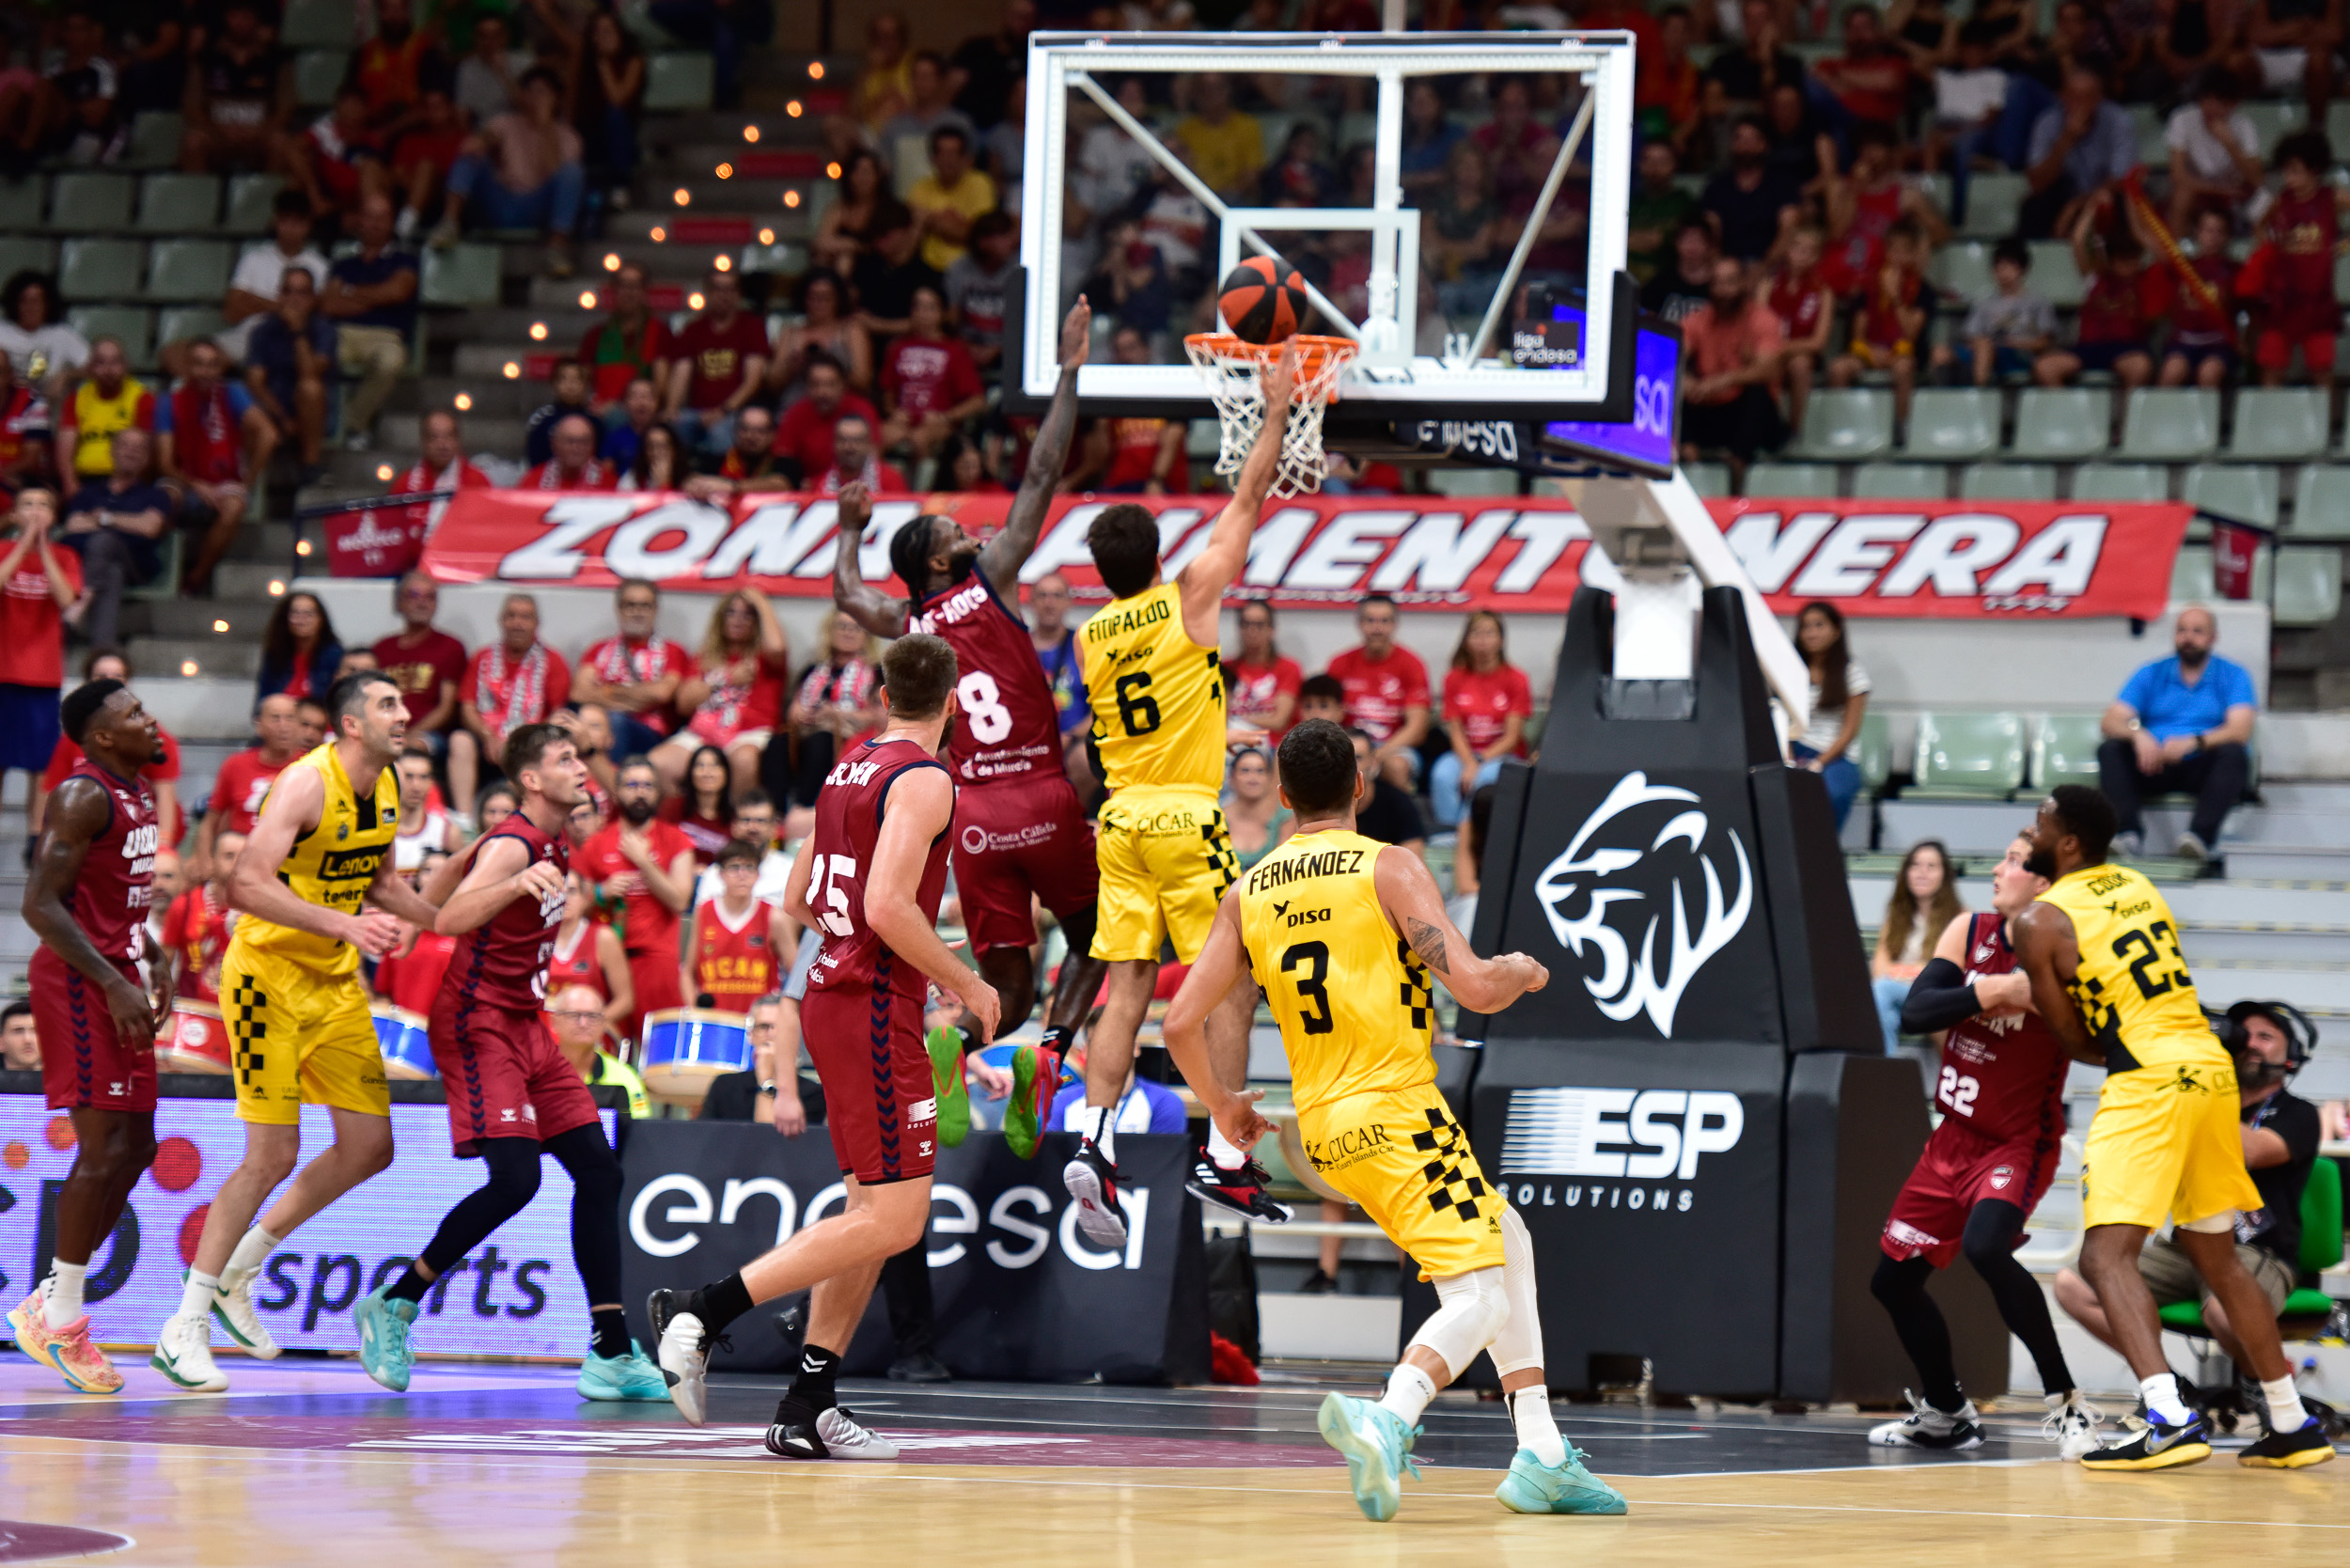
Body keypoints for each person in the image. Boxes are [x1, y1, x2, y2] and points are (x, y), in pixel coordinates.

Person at [1162, 718, 1622, 1521]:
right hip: (1398, 1110)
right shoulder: (1389, 865)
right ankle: (1391, 1415)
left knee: (1506, 1237)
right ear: (1360, 786)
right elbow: (1474, 988)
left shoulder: (1247, 891)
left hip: (1323, 1128)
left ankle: (1542, 1451)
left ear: (1281, 793)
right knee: (1481, 1297)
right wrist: (1519, 970)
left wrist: (1225, 1103)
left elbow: (1177, 1024)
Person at [649, 634, 994, 1458]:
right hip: (873, 1009)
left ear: (883, 696)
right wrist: (964, 981)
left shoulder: (848, 767)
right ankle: (700, 1310)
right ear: (953, 701)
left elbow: (801, 896)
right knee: (898, 1220)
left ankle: (808, 1403)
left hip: (838, 1000)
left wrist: (870, 950)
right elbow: (887, 906)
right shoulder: (926, 779)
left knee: (869, 1216)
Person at [830, 298, 1108, 1163]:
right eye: (960, 531)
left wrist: (847, 532)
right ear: (944, 559)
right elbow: (1043, 474)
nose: (977, 531)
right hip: (1042, 795)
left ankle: (961, 1042)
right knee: (1100, 936)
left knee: (1006, 983)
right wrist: (1070, 372)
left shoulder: (905, 620)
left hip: (974, 815)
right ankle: (1051, 1057)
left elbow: (846, 596)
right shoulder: (992, 579)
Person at [2011, 784, 2335, 1468]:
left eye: (2039, 822)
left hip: (2149, 1079)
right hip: (2211, 1072)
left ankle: (2168, 1417)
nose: (2030, 831)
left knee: (2104, 1257)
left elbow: (2069, 1036)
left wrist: (2114, 1046)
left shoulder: (2039, 920)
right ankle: (2291, 1422)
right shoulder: (2137, 884)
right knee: (2216, 1257)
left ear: (2067, 842)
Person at [1064, 340, 1301, 1247]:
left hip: (1119, 820)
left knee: (1126, 985)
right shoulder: (1190, 596)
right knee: (1230, 984)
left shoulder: (1090, 636)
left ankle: (1094, 1141)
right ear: (1160, 554)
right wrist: (1275, 409)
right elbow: (1249, 495)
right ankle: (1227, 1156)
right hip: (1181, 816)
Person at [352, 722, 666, 1401]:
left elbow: (443, 881)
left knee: (599, 1170)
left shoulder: (540, 836)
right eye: (565, 759)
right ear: (531, 779)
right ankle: (396, 1303)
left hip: (526, 1022)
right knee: (517, 1180)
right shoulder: (517, 846)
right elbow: (449, 920)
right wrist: (510, 878)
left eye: (579, 756)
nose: (581, 768)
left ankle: (611, 1350)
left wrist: (467, 868)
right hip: (479, 1023)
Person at [149, 673, 441, 1393]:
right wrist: (345, 923)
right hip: (265, 982)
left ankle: (241, 1267)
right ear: (351, 723)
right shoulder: (306, 783)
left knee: (370, 1146)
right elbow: (245, 883)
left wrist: (453, 910)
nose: (404, 713)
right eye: (388, 704)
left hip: (333, 984)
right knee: (270, 1155)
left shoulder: (388, 783)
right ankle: (184, 1324)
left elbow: (382, 884)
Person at [1869, 832, 2099, 1454]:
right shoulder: (1969, 930)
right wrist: (1991, 991)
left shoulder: (2066, 953)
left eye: (2015, 861)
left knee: (1986, 1247)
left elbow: (2100, 1040)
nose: (1998, 868)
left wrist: (2055, 1008)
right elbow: (1916, 1012)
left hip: (2015, 1142)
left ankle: (2068, 1404)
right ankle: (1947, 1411)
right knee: (1891, 1283)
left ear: (2044, 882)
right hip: (1952, 1138)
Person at [8, 680, 169, 1394]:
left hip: (118, 970)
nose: (149, 719)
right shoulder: (81, 795)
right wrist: (110, 980)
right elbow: (39, 905)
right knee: (103, 1152)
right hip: (80, 983)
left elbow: (109, 894)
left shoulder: (138, 789)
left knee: (139, 1149)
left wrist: (149, 949)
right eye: (133, 714)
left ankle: (51, 1298)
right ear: (102, 737)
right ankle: (61, 1317)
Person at [2056, 997, 2325, 1391]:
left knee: (2223, 1312)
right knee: (2073, 1285)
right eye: (2244, 1035)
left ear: (2291, 1056)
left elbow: (2251, 1151)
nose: (2250, 1043)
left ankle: (2267, 1385)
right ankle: (2168, 1386)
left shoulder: (2299, 1113)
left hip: (2258, 1251)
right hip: (2186, 1247)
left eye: (2265, 1037)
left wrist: (2194, 1088)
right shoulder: (2195, 1095)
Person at [2097, 604, 2255, 863]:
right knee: (2111, 749)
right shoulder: (2151, 672)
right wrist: (2138, 734)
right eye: (2182, 630)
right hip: (2154, 764)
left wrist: (2195, 742)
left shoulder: (2234, 675)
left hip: (2202, 767)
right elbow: (2110, 720)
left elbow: (2240, 729)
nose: (2188, 638)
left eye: (2197, 631)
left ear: (2213, 637)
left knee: (2234, 753)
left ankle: (2199, 839)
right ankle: (2127, 835)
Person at [576, 755, 697, 1041]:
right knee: (606, 1045)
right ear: (617, 792)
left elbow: (680, 901)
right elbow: (577, 906)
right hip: (607, 960)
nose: (640, 792)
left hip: (656, 959)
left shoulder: (676, 839)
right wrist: (601, 892)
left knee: (659, 1048)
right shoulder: (596, 844)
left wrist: (644, 862)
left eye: (647, 785)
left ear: (658, 793)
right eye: (632, 785)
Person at [436, 68, 585, 277]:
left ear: (556, 99)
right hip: (500, 201)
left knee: (573, 173)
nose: (534, 98)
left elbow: (556, 173)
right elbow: (481, 140)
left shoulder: (568, 136)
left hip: (536, 206)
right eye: (530, 91)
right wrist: (484, 141)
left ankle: (557, 248)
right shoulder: (506, 121)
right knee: (472, 155)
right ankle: (449, 223)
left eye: (542, 92)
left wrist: (545, 127)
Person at [0, 488, 80, 844]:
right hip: (3, 671)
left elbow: (66, 599)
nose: (35, 512)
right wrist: (23, 544)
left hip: (42, 675)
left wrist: (43, 547)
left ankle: (35, 836)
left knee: (41, 763)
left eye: (44, 505)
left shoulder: (65, 556)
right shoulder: (3, 550)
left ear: (54, 516)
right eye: (27, 505)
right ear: (14, 514)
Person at [163, 339, 274, 595]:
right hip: (182, 477)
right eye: (199, 364)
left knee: (234, 507)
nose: (206, 372)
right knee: (163, 499)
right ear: (187, 367)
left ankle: (197, 576)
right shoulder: (170, 400)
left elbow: (268, 435)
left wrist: (248, 482)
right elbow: (164, 463)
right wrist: (195, 484)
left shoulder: (232, 392)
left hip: (225, 478)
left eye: (212, 365)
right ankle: (161, 571)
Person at [653, 588, 788, 796]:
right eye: (731, 612)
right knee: (657, 763)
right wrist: (727, 677)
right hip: (702, 734)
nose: (738, 620)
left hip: (748, 734)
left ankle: (733, 816)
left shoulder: (766, 658)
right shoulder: (705, 657)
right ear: (721, 619)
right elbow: (684, 704)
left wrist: (760, 602)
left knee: (744, 760)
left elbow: (777, 647)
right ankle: (687, 814)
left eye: (747, 615)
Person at [320, 195, 418, 450]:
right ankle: (321, 424)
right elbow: (329, 304)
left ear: (391, 222)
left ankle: (353, 424)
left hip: (385, 336)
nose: (375, 223)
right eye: (370, 216)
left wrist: (350, 292)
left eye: (382, 217)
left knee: (390, 362)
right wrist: (377, 297)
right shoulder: (344, 263)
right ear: (360, 220)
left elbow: (397, 292)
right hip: (342, 333)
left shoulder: (405, 260)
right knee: (312, 357)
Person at [2252, 130, 2349, 390]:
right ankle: (2270, 415)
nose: (2288, 178)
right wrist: (2268, 251)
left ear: (2314, 169)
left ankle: (2325, 418)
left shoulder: (2332, 197)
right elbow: (2259, 226)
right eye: (2285, 171)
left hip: (2318, 300)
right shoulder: (2280, 201)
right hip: (2283, 300)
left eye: (2295, 171)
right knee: (2272, 367)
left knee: (2322, 370)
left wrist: (2343, 246)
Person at [460, 592, 572, 812]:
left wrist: (517, 741)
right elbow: (467, 708)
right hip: (486, 740)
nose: (517, 623)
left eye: (525, 617)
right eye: (511, 616)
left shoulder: (553, 660)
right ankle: (463, 818)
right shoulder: (481, 658)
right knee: (460, 741)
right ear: (501, 621)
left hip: (531, 740)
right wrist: (488, 735)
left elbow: (557, 715)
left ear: (536, 623)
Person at [58, 430, 168, 652]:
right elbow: (73, 524)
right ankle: (102, 649)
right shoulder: (89, 493)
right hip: (85, 564)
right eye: (125, 446)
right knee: (112, 571)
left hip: (134, 564)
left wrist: (103, 518)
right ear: (113, 451)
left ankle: (81, 603)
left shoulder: (155, 495)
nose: (131, 452)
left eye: (139, 449)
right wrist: (127, 521)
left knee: (103, 540)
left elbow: (149, 527)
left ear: (147, 458)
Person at [572, 579, 693, 761]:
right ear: (619, 609)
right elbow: (579, 693)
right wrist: (636, 700)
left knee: (616, 720)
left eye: (645, 606)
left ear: (655, 610)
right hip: (598, 724)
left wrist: (605, 692)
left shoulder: (672, 650)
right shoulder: (598, 649)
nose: (638, 612)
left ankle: (611, 779)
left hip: (650, 733)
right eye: (630, 605)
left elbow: (662, 693)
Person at [1432, 611, 1530, 833]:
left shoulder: (1516, 678)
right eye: (1476, 633)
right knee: (1442, 774)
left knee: (1484, 777)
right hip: (1464, 754)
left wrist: (1478, 762)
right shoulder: (1454, 678)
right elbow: (1455, 731)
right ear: (1466, 640)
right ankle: (1447, 835)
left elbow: (1512, 737)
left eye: (1489, 633)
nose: (1483, 640)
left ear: (1501, 640)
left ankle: (1469, 834)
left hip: (1502, 755)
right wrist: (1469, 762)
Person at [784, 613, 884, 829]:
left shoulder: (877, 674)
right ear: (830, 631)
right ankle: (775, 814)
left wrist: (836, 714)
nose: (848, 633)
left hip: (849, 734)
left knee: (822, 741)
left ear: (867, 635)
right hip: (806, 729)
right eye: (842, 627)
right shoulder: (813, 670)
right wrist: (800, 712)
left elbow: (878, 715)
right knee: (777, 744)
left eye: (855, 628)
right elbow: (792, 709)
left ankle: (804, 808)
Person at [2021, 59, 2139, 240]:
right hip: (2062, 198)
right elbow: (2036, 183)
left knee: (2122, 200)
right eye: (2073, 96)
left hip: (2102, 197)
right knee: (2032, 206)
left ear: (2099, 98)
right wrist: (2066, 139)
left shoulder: (2118, 121)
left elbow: (2120, 179)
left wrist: (2077, 205)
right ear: (2062, 96)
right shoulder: (2047, 123)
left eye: (2086, 97)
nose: (2078, 104)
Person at [1327, 596, 1432, 792]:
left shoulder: (1412, 665)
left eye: (1384, 621)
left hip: (1394, 746)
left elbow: (1417, 729)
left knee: (1396, 767)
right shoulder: (1339, 664)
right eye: (1371, 620)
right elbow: (1326, 718)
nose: (1377, 628)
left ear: (1394, 625)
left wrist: (1377, 753)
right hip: (1349, 744)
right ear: (1359, 624)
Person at [372, 572, 468, 780]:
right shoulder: (382, 649)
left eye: (430, 597)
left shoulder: (450, 647)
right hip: (386, 729)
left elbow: (446, 708)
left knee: (413, 746)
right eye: (414, 595)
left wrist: (409, 734)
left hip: (428, 734)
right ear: (398, 602)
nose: (422, 602)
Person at [665, 269, 770, 457]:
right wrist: (671, 409)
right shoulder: (693, 329)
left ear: (738, 294)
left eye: (730, 289)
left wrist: (722, 411)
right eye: (718, 289)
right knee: (669, 429)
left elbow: (753, 381)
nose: (724, 295)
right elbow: (681, 372)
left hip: (735, 412)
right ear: (707, 292)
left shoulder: (752, 327)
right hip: (697, 412)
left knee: (720, 433)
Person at [242, 267, 336, 478]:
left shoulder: (324, 330)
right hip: (273, 408)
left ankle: (310, 466)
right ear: (280, 296)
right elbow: (255, 381)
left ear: (312, 298)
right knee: (244, 402)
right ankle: (245, 483)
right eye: (288, 291)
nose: (294, 299)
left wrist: (298, 333)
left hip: (313, 413)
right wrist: (282, 418)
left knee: (310, 388)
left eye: (302, 293)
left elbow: (310, 372)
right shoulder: (263, 331)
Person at [878, 285, 987, 465]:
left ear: (942, 313)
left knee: (919, 439)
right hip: (903, 419)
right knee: (875, 436)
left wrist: (946, 417)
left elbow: (978, 401)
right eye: (918, 307)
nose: (923, 313)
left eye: (930, 307)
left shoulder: (955, 350)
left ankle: (920, 484)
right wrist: (894, 412)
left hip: (937, 423)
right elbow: (887, 391)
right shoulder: (897, 348)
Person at [197, 694, 305, 874]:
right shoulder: (236, 765)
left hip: (294, 861)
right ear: (259, 725)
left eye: (290, 718)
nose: (283, 726)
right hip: (240, 861)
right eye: (275, 718)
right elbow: (210, 822)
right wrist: (204, 860)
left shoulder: (312, 765)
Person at [1873, 840, 1965, 1054]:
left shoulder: (1960, 917)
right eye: (1915, 865)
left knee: (1883, 992)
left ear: (1944, 875)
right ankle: (1887, 1065)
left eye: (1931, 866)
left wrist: (1902, 971)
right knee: (1882, 998)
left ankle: (1883, 1066)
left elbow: (1948, 972)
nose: (1922, 872)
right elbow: (1879, 969)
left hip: (1936, 996)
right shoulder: (1895, 916)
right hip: (1900, 995)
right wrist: (1916, 970)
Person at [1792, 601, 1870, 830]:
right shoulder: (1789, 668)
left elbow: (1849, 731)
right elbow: (1778, 720)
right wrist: (1788, 759)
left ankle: (1824, 847)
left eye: (1819, 625)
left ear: (1836, 631)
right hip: (1793, 747)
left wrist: (1818, 763)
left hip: (1835, 755)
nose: (1811, 633)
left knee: (1833, 793)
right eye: (1806, 627)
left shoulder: (1852, 672)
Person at [686, 840, 791, 1012]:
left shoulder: (773, 915)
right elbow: (687, 972)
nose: (742, 875)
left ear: (758, 875)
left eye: (749, 868)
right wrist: (695, 1010)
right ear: (720, 874)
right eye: (734, 867)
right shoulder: (703, 912)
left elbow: (795, 971)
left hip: (755, 1021)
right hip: (713, 1018)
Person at [1957, 237, 2059, 386]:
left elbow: (2045, 342)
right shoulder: (1983, 303)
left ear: (2022, 269)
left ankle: (1979, 392)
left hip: (2020, 355)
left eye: (2009, 266)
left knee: (1984, 348)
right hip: (1988, 352)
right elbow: (1971, 337)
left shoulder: (2038, 302)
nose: (2003, 273)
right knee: (1942, 353)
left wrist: (2012, 344)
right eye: (1999, 267)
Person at [162, 829, 243, 1008]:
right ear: (212, 861)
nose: (237, 863)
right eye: (229, 856)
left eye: (243, 857)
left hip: (240, 1013)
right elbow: (163, 963)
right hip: (194, 1012)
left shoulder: (259, 912)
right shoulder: (185, 905)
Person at [547, 981, 651, 1119]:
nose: (583, 1023)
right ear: (554, 1022)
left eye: (592, 1016)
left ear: (603, 1024)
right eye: (573, 1015)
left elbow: (639, 1127)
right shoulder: (536, 1072)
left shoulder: (625, 1077)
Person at [580, 264, 673, 415]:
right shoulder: (595, 335)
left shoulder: (661, 333)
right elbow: (582, 383)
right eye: (623, 286)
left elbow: (661, 389)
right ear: (614, 290)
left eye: (635, 286)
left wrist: (620, 406)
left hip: (642, 412)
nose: (629, 293)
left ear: (645, 291)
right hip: (599, 410)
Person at [776, 355, 880, 485]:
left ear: (843, 385)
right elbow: (785, 468)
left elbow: (873, 460)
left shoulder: (862, 409)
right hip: (811, 489)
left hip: (858, 484)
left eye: (830, 384)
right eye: (815, 384)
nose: (822, 392)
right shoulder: (795, 414)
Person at [906, 126, 996, 274]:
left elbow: (980, 236)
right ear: (932, 158)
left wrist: (931, 220)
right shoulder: (920, 188)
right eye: (942, 153)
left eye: (954, 153)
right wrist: (956, 225)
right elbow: (910, 239)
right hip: (928, 268)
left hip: (971, 268)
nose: (947, 159)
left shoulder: (980, 183)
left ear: (966, 158)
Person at [1226, 602, 1300, 746]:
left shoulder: (1288, 667)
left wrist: (1237, 720)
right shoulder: (1226, 667)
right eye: (1246, 624)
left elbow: (1279, 720)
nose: (1252, 630)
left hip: (1271, 746)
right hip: (1232, 744)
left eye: (1259, 625)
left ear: (1271, 629)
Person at [256, 590, 342, 705]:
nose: (301, 620)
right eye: (295, 613)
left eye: (309, 614)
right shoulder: (276, 655)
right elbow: (263, 699)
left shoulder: (334, 656)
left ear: (321, 619)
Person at [1223, 746, 1291, 875]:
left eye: (1260, 771)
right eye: (1245, 770)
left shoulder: (1283, 817)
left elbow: (1284, 867)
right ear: (1231, 777)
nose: (1253, 777)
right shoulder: (1218, 817)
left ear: (1269, 777)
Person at [525, 360, 600, 468]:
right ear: (554, 384)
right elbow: (534, 457)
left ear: (586, 385)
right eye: (564, 379)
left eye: (577, 380)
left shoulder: (594, 421)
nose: (571, 385)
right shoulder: (541, 419)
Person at [524, 412, 616, 491]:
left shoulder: (608, 482)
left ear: (593, 446)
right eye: (570, 441)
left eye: (583, 442)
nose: (576, 448)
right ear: (554, 445)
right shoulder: (533, 480)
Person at [0, 998, 39, 1072]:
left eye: (36, 1031)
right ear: (1, 1042)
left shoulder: (60, 1075)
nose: (28, 1039)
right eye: (18, 1031)